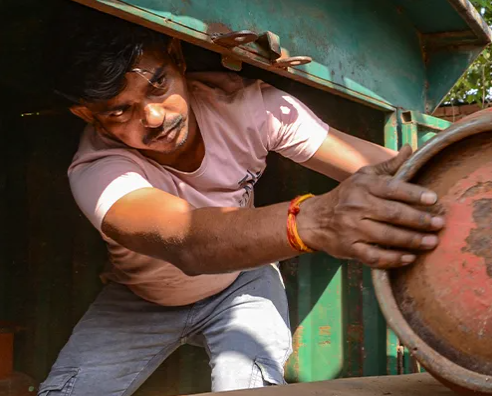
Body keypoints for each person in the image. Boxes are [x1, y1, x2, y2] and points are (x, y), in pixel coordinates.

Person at [38, 11, 443, 396]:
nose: (155, 116)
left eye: (158, 85)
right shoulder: (98, 169)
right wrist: (313, 221)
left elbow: (391, 170)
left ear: (176, 57)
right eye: (121, 111)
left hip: (243, 282)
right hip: (141, 298)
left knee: (249, 385)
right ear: (87, 114)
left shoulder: (251, 109)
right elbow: (186, 240)